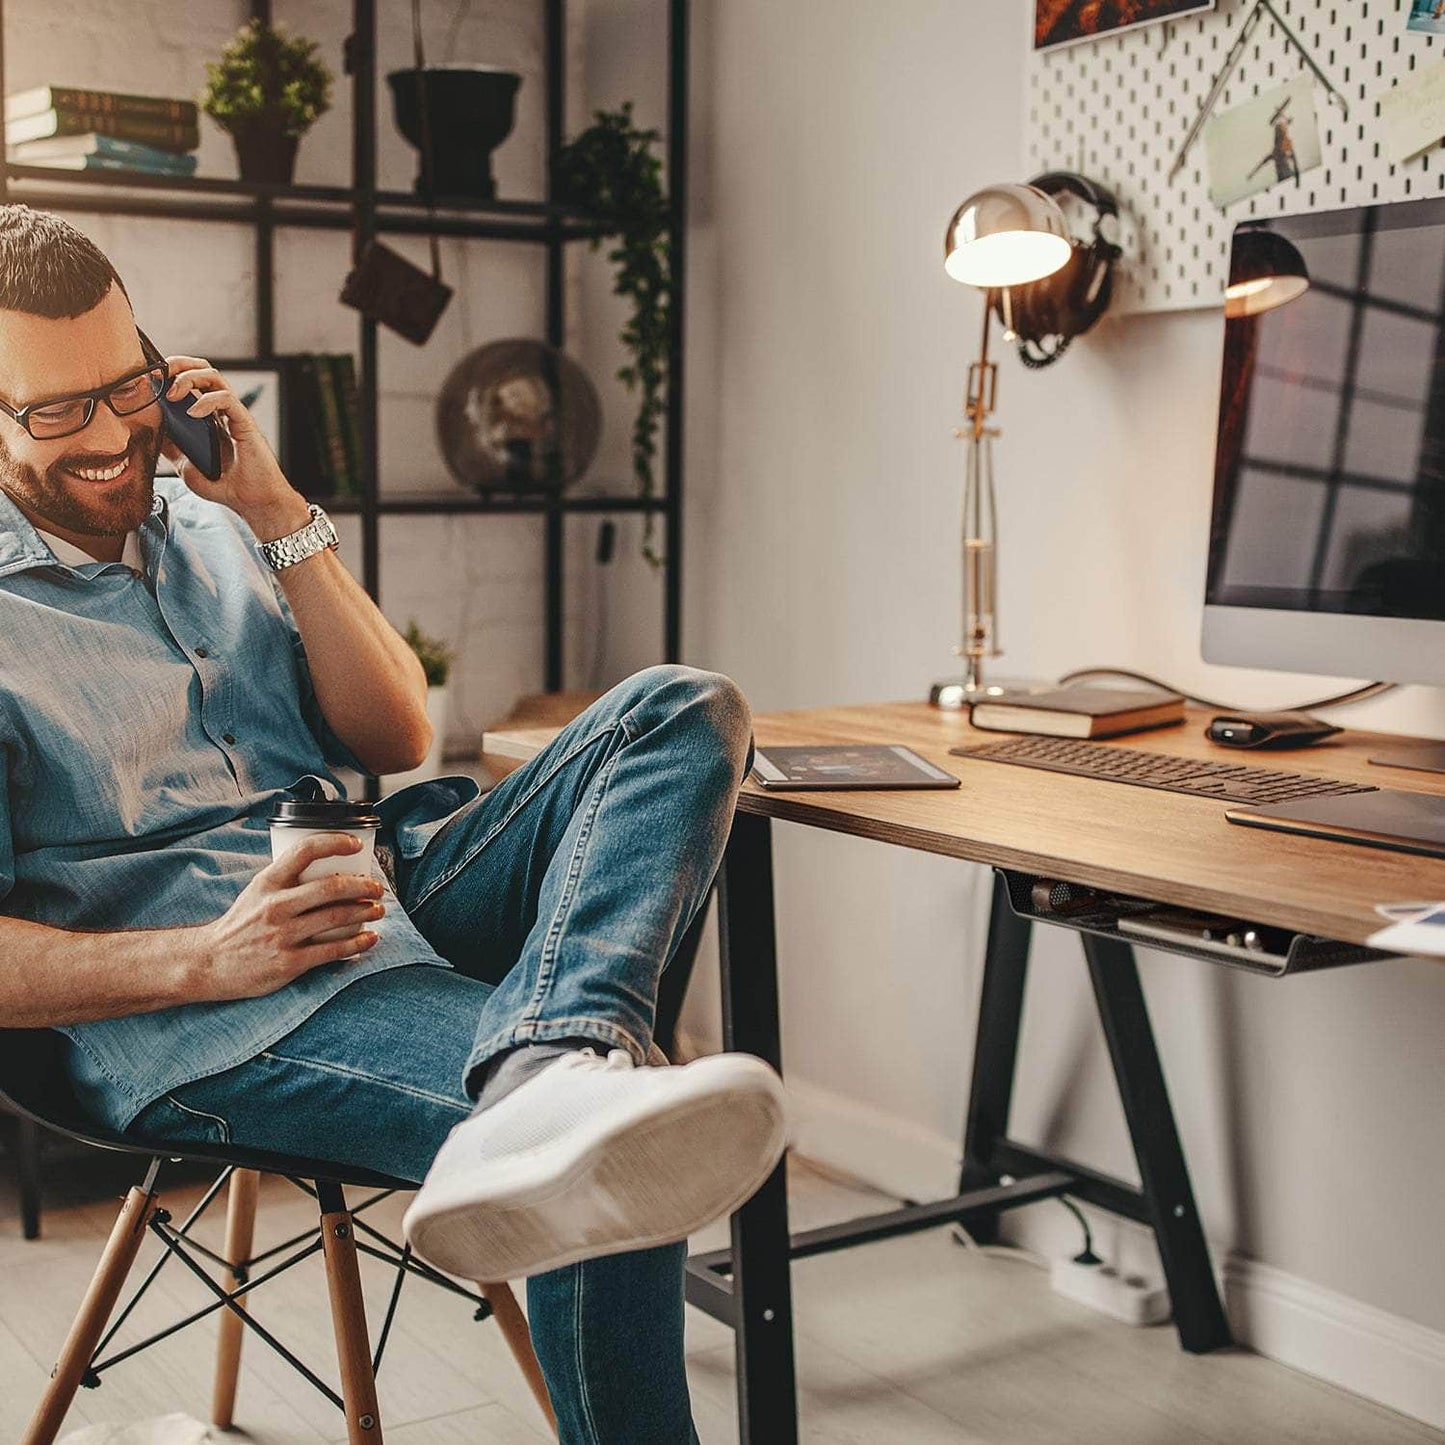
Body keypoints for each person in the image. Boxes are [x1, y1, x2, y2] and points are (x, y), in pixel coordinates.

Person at [0, 204, 786, 1443]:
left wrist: (268, 499)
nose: (110, 434)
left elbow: (392, 738)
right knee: (619, 1141)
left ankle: (544, 1061)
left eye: (126, 385)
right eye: (56, 409)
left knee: (678, 709)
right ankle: (565, 1084)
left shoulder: (208, 518)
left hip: (377, 880)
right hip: (211, 1006)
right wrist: (209, 957)